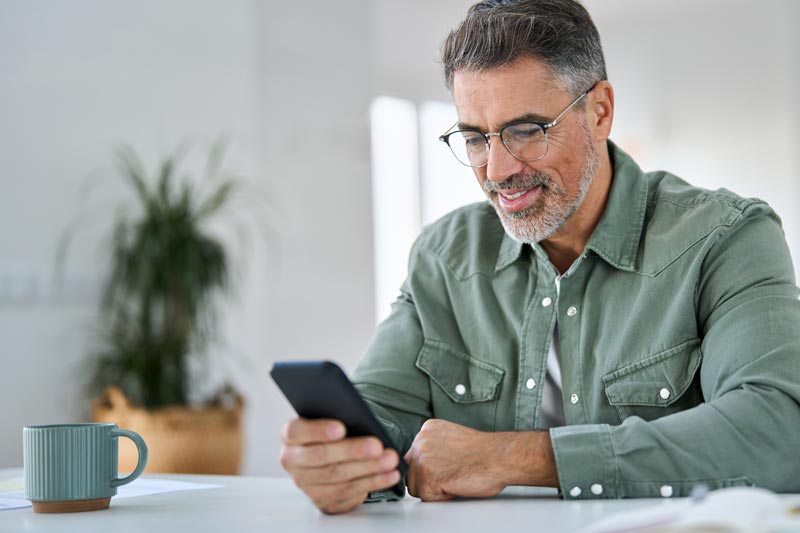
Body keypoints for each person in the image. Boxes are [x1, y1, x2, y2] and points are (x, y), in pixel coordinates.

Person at [279, 0, 800, 514]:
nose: (498, 169)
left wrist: (515, 457)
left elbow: (781, 430)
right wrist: (338, 462)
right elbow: (381, 417)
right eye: (474, 138)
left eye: (526, 130)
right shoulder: (443, 258)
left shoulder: (727, 238)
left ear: (600, 112)